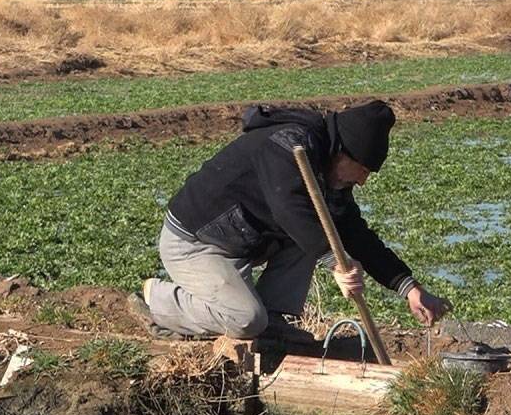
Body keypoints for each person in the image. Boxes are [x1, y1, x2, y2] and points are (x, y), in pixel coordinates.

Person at [132, 100, 450, 342]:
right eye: (364, 171)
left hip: (240, 243)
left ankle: (274, 321)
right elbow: (289, 208)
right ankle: (156, 300)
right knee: (245, 320)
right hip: (194, 242)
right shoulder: (289, 146)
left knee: (322, 229)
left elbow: (354, 233)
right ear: (345, 154)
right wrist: (336, 264)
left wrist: (410, 289)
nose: (363, 181)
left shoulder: (330, 172)